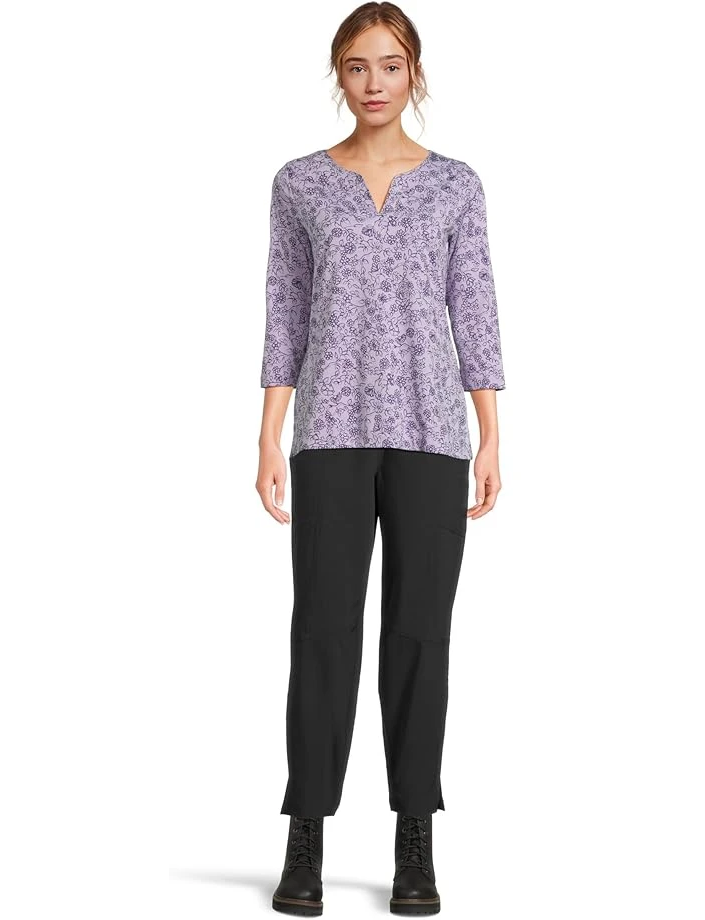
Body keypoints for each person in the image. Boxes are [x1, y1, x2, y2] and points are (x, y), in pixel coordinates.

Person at [256, 3, 506, 916]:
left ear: (414, 73)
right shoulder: (299, 183)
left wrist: (490, 433)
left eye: (391, 65)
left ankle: (415, 837)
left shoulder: (456, 186)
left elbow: (474, 307)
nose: (374, 83)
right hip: (328, 428)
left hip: (433, 434)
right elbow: (285, 309)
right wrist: (269, 434)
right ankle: (306, 835)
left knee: (419, 635)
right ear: (339, 73)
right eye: (358, 66)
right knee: (322, 632)